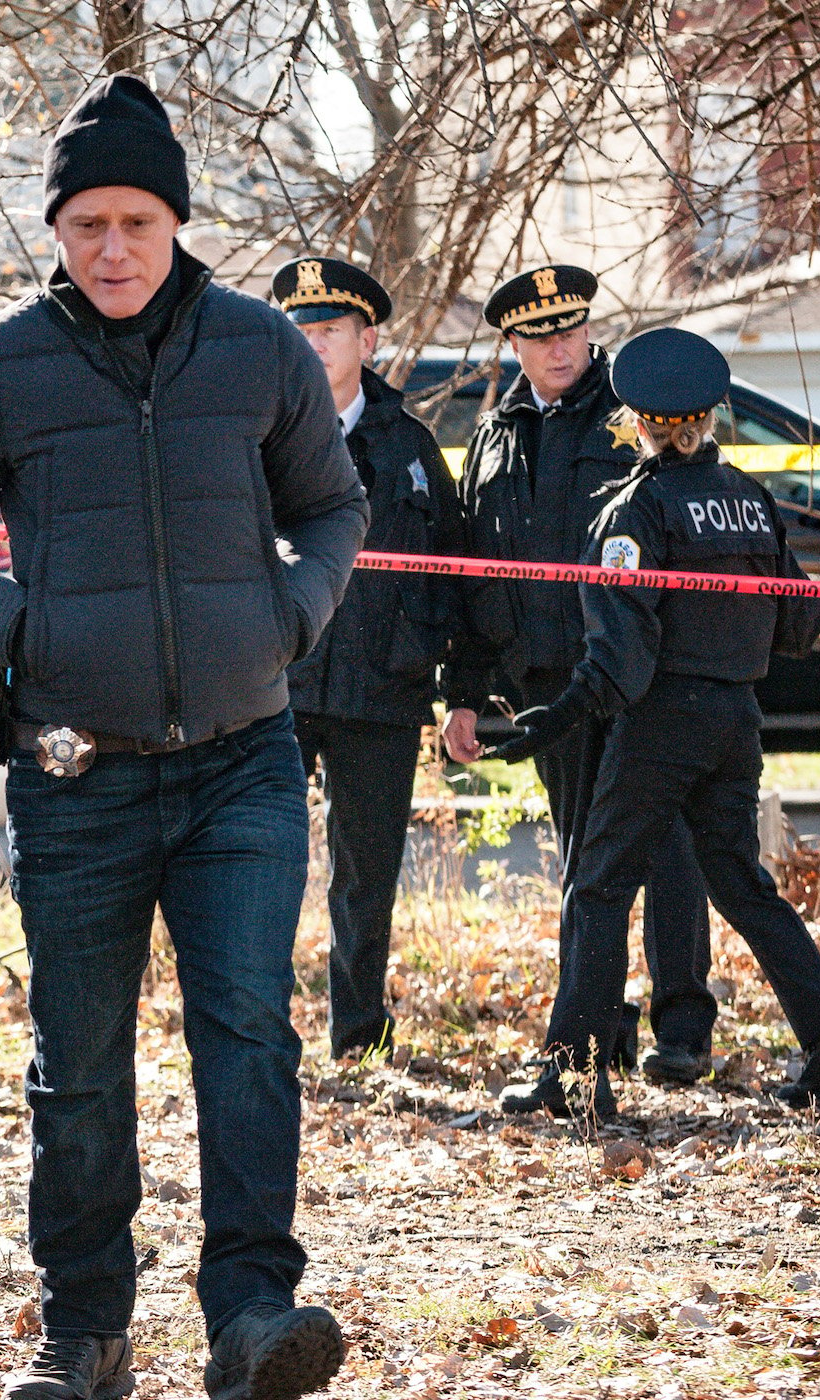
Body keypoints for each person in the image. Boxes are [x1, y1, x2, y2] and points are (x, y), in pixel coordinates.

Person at [0, 74, 368, 1400]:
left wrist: (291, 615)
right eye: (85, 222)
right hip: (73, 780)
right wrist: (20, 632)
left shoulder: (260, 350)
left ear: (175, 222)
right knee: (79, 1067)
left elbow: (334, 508)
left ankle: (254, 1313)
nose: (111, 248)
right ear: (56, 231)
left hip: (242, 765)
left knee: (247, 1034)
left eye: (136, 220)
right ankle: (85, 1328)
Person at [485, 327, 820, 1117]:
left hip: (661, 724)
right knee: (744, 887)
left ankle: (575, 1072)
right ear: (712, 416)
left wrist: (560, 716)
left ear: (636, 421)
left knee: (598, 883)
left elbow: (621, 656)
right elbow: (793, 623)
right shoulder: (752, 502)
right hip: (737, 723)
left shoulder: (633, 511)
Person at [444, 266, 717, 1086]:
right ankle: (602, 1028)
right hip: (549, 682)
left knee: (665, 852)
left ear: (587, 329)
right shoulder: (495, 434)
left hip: (643, 674)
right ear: (513, 343)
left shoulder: (638, 414)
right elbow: (473, 571)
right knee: (583, 863)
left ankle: (683, 1031)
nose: (557, 346)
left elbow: (688, 532)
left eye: (569, 328)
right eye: (538, 334)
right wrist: (463, 688)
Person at [271, 255, 466, 1061]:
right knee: (260, 867)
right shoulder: (252, 433)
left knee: (367, 873)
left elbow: (455, 572)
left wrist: (458, 685)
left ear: (367, 338)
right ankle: (257, 1030)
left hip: (383, 689)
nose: (312, 345)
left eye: (328, 331)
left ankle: (357, 1034)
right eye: (299, 331)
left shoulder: (412, 445)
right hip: (272, 683)